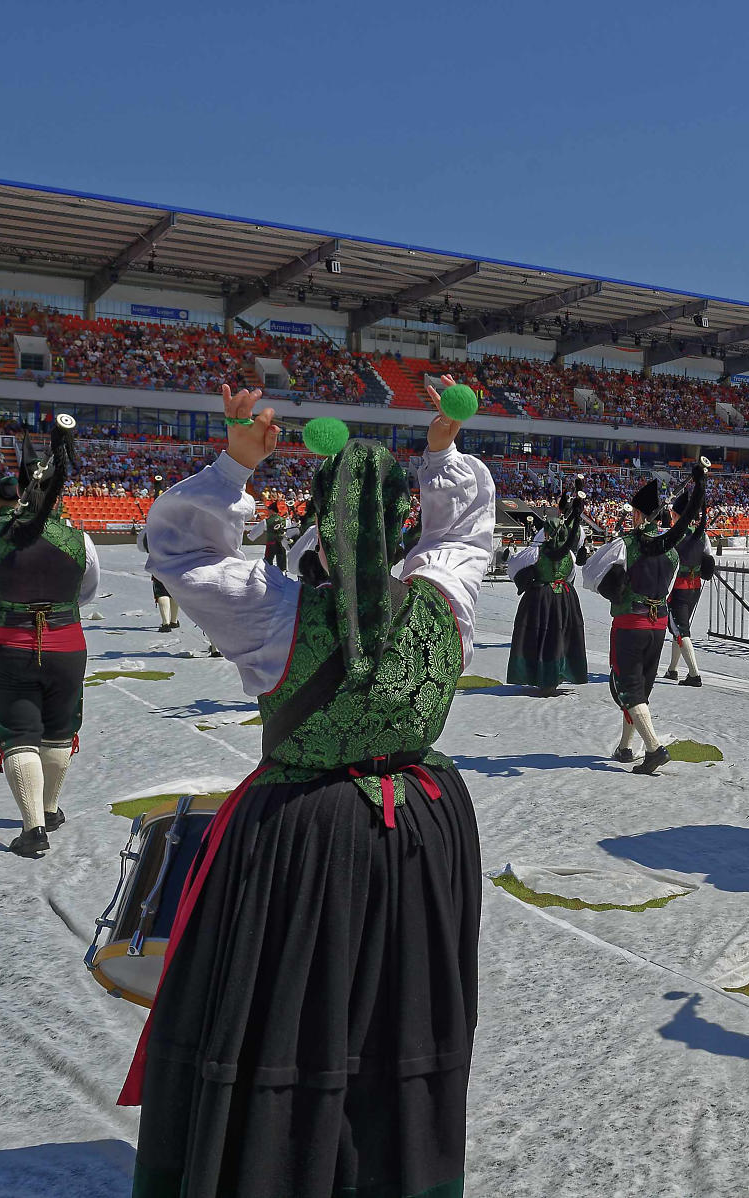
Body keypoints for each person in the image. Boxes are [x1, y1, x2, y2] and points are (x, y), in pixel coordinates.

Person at [123, 384, 492, 1198]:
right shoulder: (446, 602)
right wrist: (442, 448)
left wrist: (236, 465)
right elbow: (463, 531)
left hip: (304, 835)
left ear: (317, 526)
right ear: (404, 524)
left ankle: (276, 1163)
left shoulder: (274, 613)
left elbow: (182, 554)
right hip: (423, 834)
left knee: (290, 1007)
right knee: (406, 1013)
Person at [0, 416, 98, 858]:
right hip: (68, 645)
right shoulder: (79, 537)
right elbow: (87, 589)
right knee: (60, 731)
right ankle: (51, 808)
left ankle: (33, 830)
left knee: (18, 733)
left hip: (10, 644)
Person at [581, 463, 707, 774]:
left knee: (629, 687)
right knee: (640, 690)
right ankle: (625, 747)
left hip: (630, 624)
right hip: (658, 625)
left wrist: (614, 587)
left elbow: (589, 573)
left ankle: (653, 748)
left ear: (639, 515)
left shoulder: (626, 544)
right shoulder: (673, 553)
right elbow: (666, 586)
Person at [506, 491, 589, 694]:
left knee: (540, 636)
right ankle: (557, 675)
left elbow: (514, 569)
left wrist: (530, 578)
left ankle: (541, 676)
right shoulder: (569, 554)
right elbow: (570, 576)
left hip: (541, 598)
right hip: (566, 598)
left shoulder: (535, 552)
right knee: (561, 636)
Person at [663, 490, 714, 686]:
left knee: (681, 629)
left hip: (677, 588)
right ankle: (673, 669)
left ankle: (694, 674)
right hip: (695, 587)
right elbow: (708, 560)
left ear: (676, 515)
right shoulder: (703, 535)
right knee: (679, 628)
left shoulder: (672, 535)